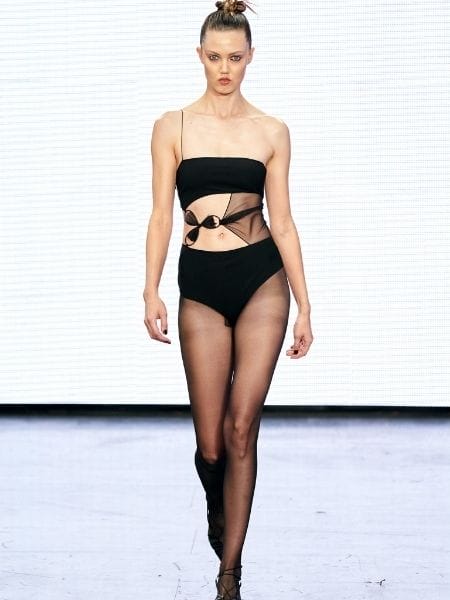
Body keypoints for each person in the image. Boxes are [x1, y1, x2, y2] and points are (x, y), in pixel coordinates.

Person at [143, 1, 313, 597]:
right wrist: (150, 288)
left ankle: (229, 572)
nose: (224, 69)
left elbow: (282, 220)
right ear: (200, 55)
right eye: (215, 57)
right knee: (211, 445)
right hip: (200, 284)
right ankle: (219, 508)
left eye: (235, 58)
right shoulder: (172, 126)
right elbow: (161, 216)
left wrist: (305, 304)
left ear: (250, 58)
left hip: (262, 279)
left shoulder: (271, 131)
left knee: (243, 428)